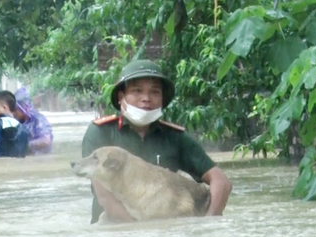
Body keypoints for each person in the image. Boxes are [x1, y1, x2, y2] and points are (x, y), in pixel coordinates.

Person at [81, 59, 233, 223]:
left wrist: (210, 220)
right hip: (112, 230)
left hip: (164, 230)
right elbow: (105, 199)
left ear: (163, 99)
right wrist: (141, 233)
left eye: (154, 92)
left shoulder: (174, 137)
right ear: (120, 97)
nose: (146, 98)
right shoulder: (100, 133)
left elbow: (221, 181)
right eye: (137, 91)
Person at [0, 67, 53, 154]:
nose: (13, 111)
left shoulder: (38, 119)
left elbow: (46, 141)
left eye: (16, 109)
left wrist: (23, 145)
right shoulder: (12, 121)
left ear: (24, 109)